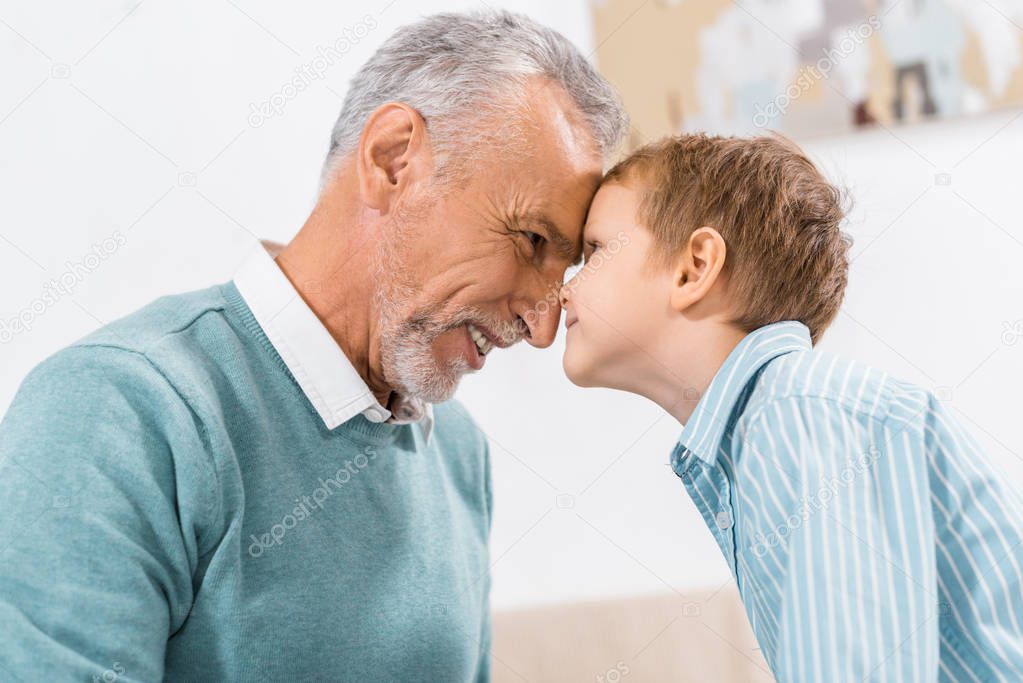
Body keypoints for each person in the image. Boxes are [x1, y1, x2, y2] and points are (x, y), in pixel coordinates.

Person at [0, 10, 627, 680]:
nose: (541, 326)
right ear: (393, 159)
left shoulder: (457, 453)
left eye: (561, 272)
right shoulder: (116, 412)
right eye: (531, 241)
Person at [560, 132, 1023, 680]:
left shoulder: (794, 413)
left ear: (694, 267)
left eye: (593, 252)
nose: (564, 288)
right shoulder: (768, 425)